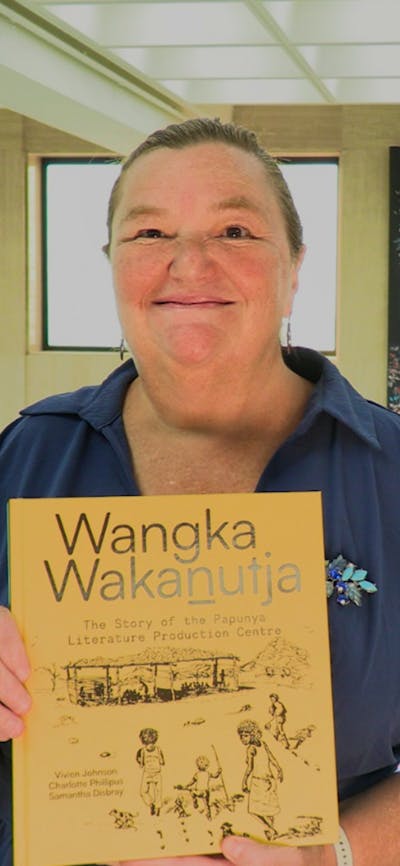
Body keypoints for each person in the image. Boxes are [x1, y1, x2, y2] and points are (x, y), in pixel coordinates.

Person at [0, 116, 400, 866]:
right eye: (150, 234)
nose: (190, 264)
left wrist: (330, 856)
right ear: (112, 262)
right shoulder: (27, 454)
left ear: (295, 266)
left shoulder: (393, 474)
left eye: (236, 232)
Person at [237, 719, 283, 840]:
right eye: (241, 736)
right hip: (270, 779)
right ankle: (271, 836)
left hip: (259, 781)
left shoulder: (251, 749)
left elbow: (250, 767)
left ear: (252, 735)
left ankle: (270, 829)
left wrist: (244, 781)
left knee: (254, 810)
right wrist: (278, 768)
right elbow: (271, 758)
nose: (243, 739)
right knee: (268, 810)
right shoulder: (262, 744)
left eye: (245, 736)